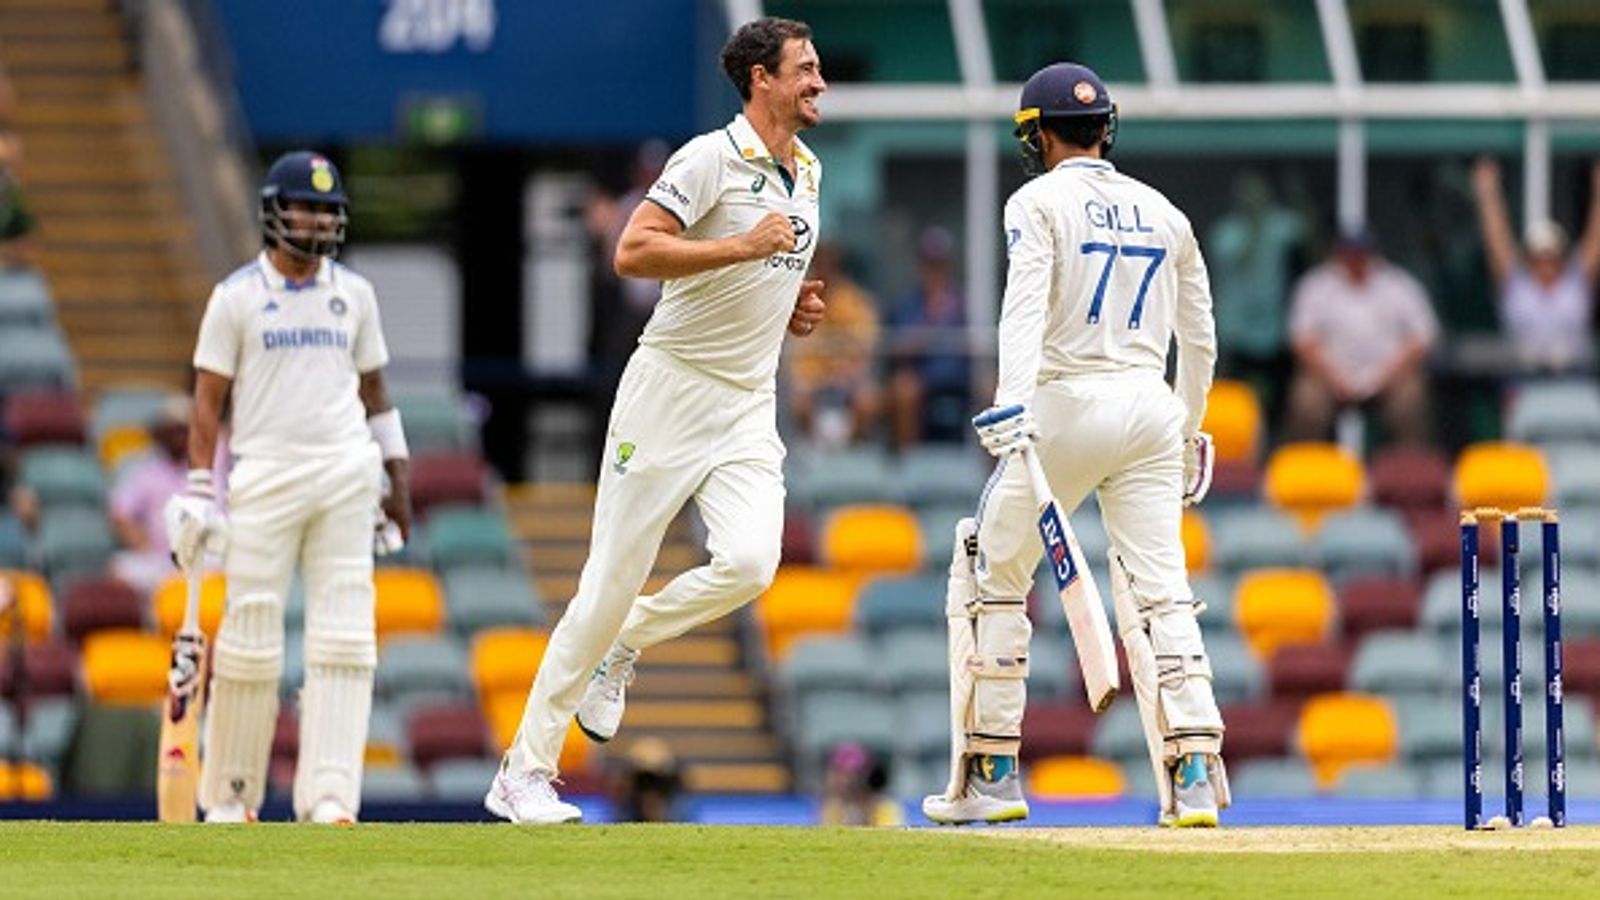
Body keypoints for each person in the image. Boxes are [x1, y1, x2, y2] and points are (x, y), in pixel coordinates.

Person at [484, 16, 828, 824]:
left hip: (747, 402)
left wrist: (789, 304)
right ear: (761, 80)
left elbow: (760, 271)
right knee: (608, 581)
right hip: (669, 391)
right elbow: (632, 253)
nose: (819, 83)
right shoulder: (708, 157)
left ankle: (626, 640)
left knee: (751, 565)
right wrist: (744, 249)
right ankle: (523, 771)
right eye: (805, 70)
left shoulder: (808, 170)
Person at [922, 62, 1227, 828]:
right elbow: (1200, 338)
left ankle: (991, 774)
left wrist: (1011, 402)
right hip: (1151, 410)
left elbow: (1023, 306)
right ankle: (1194, 773)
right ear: (1106, 130)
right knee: (1161, 591)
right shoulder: (1166, 211)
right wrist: (1188, 428)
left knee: (991, 571)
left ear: (1038, 137)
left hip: (1065, 401)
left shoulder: (1036, 202)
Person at [163, 151, 413, 824]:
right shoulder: (236, 297)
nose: (319, 221)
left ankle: (330, 796)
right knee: (248, 636)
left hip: (345, 474)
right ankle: (231, 795)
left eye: (329, 211)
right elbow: (207, 401)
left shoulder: (354, 294)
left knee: (345, 639)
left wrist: (399, 480)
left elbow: (376, 392)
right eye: (307, 208)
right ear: (276, 212)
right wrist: (198, 490)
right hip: (265, 476)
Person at [1285, 229, 1437, 446]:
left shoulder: (1399, 284)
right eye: (1350, 253)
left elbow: (1422, 337)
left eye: (1361, 252)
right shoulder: (1316, 285)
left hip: (1390, 377)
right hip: (1330, 377)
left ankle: (1408, 464)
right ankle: (1308, 461)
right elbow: (1302, 340)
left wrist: (1387, 375)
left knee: (1410, 399)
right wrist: (1334, 377)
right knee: (1307, 401)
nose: (1356, 258)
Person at [1471, 157, 1600, 373]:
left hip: (1575, 378)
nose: (1545, 261)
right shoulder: (1516, 285)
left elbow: (1595, 242)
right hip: (1523, 380)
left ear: (1561, 256)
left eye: (1551, 254)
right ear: (1529, 257)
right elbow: (1497, 241)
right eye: (1539, 255)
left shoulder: (1575, 283)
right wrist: (1488, 194)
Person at [1208, 174, 1306, 421]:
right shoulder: (1226, 232)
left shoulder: (1279, 224)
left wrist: (1299, 196)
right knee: (1234, 396)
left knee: (1278, 398)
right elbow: (1242, 257)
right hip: (1236, 329)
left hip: (1273, 328)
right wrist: (1256, 226)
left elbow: (1306, 236)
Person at [786, 241, 881, 448]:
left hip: (847, 380)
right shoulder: (799, 297)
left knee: (866, 401)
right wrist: (815, 378)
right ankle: (815, 454)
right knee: (799, 402)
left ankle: (851, 451)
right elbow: (797, 351)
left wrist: (843, 374)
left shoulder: (854, 300)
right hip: (814, 379)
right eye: (819, 261)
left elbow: (863, 347)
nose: (824, 267)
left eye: (829, 261)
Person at [887, 227, 971, 448]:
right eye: (929, 265)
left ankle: (996, 465)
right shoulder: (907, 304)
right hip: (921, 378)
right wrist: (927, 327)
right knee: (904, 389)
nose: (934, 272)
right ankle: (908, 461)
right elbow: (896, 350)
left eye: (939, 265)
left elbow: (976, 345)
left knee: (995, 389)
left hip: (959, 379)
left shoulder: (963, 304)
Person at [108, 395, 190, 595]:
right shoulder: (146, 471)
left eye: (183, 430)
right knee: (119, 569)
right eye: (172, 430)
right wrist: (141, 541)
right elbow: (120, 512)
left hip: (203, 561)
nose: (178, 437)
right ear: (161, 433)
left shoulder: (209, 470)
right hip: (158, 560)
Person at [818, 742, 902, 826]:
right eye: (838, 772)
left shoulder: (883, 808)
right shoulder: (833, 808)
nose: (843, 780)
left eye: (851, 774)